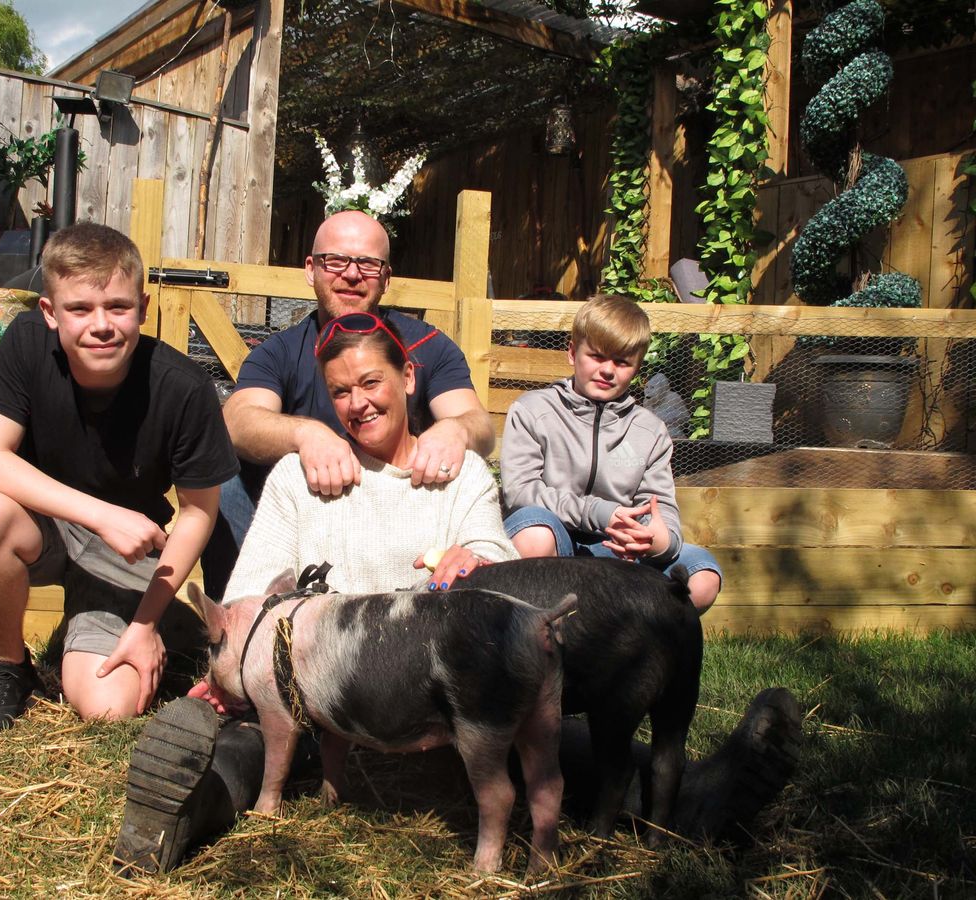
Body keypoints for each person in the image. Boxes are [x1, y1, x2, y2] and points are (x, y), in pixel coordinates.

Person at [114, 312, 801, 874]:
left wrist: (474, 556)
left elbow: (504, 586)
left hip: (437, 688)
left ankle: (693, 797)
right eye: (342, 391)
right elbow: (251, 596)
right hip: (332, 698)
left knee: (544, 735)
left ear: (410, 378)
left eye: (373, 382)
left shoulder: (460, 474)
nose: (359, 402)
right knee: (257, 733)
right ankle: (184, 805)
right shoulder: (301, 476)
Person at [0, 222, 238, 734]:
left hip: (128, 553)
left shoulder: (184, 388)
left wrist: (145, 624)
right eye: (79, 309)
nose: (100, 325)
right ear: (49, 313)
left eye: (118, 307)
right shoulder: (24, 346)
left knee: (109, 707)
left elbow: (198, 512)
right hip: (47, 525)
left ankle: (158, 626)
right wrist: (103, 515)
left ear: (143, 309)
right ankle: (8, 668)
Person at [199, 209, 495, 598]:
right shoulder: (281, 352)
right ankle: (238, 622)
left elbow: (478, 425)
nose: (351, 274)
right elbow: (237, 419)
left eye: (368, 264)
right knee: (222, 477)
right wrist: (308, 434)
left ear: (386, 278)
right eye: (335, 260)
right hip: (307, 517)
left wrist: (455, 429)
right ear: (311, 269)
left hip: (405, 512)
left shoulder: (429, 346)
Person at [500, 294, 722, 612]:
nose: (607, 370)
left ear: (636, 367)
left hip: (615, 550)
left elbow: (660, 508)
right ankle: (535, 641)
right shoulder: (534, 410)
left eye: (621, 362)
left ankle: (631, 650)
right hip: (556, 542)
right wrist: (602, 513)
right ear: (573, 353)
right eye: (597, 356)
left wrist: (657, 539)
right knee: (534, 532)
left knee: (702, 578)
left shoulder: (650, 430)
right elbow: (521, 492)